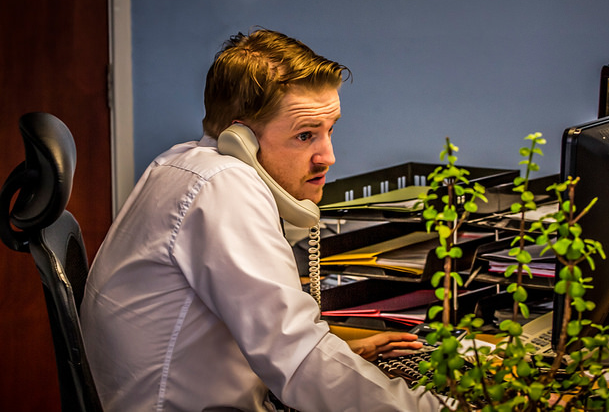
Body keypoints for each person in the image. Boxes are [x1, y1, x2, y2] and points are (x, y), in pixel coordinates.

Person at [81, 28, 442, 411]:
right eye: (305, 136)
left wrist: (341, 355)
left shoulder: (182, 164)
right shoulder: (224, 186)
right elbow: (297, 359)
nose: (327, 157)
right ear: (242, 139)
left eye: (329, 130)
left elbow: (272, 342)